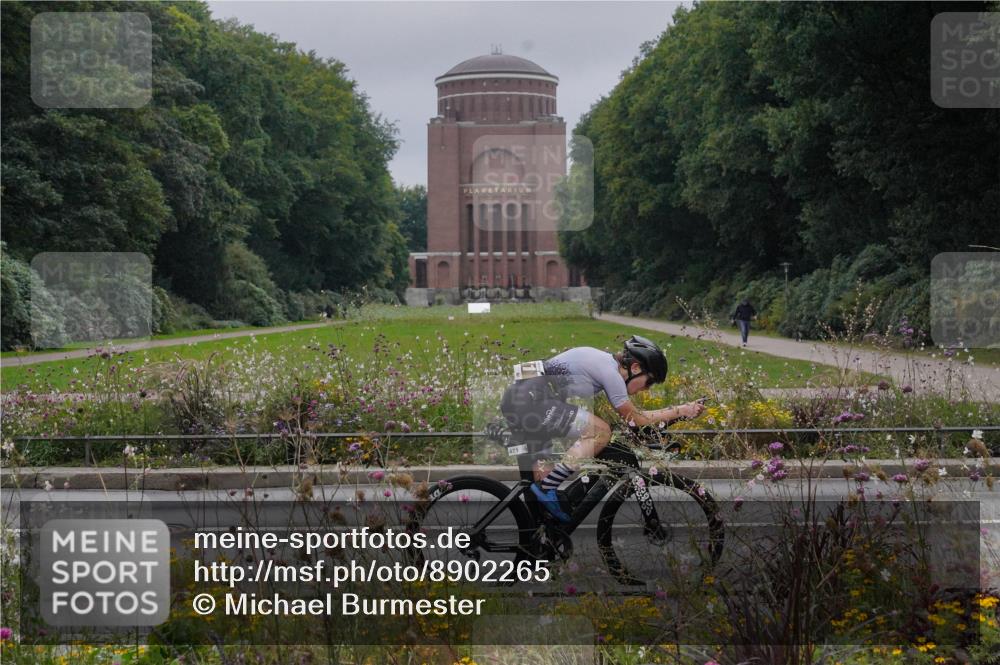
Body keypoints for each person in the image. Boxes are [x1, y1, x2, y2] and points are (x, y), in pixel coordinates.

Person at [499, 335, 706, 522]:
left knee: (541, 511)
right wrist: (680, 410)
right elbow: (636, 419)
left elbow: (629, 420)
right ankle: (548, 486)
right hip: (532, 399)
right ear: (635, 368)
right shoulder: (611, 373)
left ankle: (539, 543)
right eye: (649, 382)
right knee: (600, 432)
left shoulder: (603, 363)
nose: (646, 389)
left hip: (523, 397)